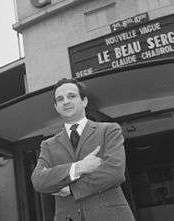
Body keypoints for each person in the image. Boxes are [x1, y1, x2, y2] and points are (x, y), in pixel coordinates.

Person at [31, 78, 135, 221]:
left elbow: (114, 172)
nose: (66, 101)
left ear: (84, 101)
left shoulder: (109, 130)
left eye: (71, 96)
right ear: (56, 107)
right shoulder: (48, 145)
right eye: (60, 99)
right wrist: (78, 168)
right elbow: (38, 181)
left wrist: (72, 189)